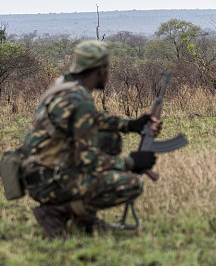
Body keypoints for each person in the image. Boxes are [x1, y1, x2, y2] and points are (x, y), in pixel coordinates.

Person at [21, 40, 160, 238]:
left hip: (37, 174)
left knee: (108, 138)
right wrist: (131, 163)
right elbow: (87, 161)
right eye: (107, 68)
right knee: (131, 185)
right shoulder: (80, 98)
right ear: (101, 70)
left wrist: (130, 125)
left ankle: (84, 219)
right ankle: (55, 212)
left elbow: (92, 121)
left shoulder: (63, 87)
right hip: (49, 182)